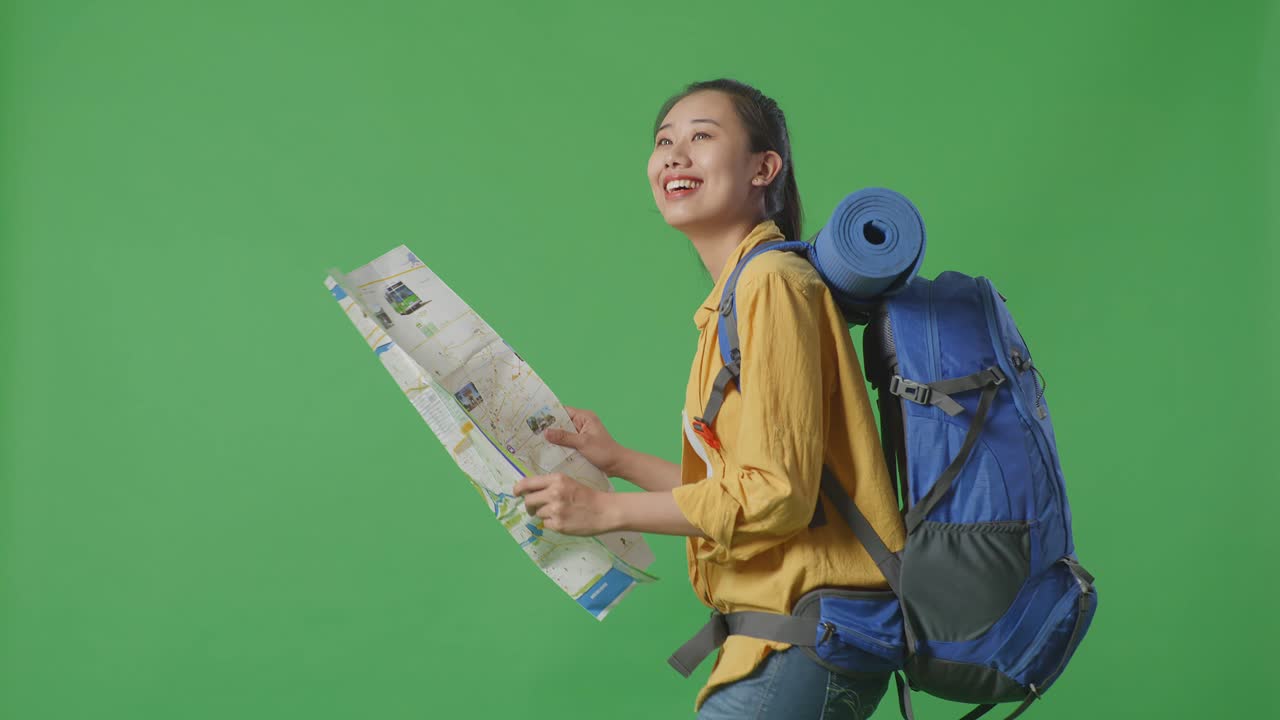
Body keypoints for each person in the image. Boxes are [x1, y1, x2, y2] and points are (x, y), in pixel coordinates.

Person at [512, 78, 906, 719]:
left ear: (763, 168)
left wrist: (605, 510)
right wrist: (618, 462)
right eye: (664, 141)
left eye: (701, 136)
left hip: (797, 644)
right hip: (784, 644)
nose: (674, 155)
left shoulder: (771, 284)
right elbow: (748, 492)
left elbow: (776, 497)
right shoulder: (739, 295)